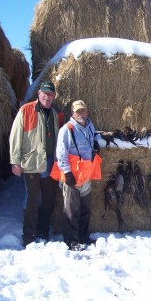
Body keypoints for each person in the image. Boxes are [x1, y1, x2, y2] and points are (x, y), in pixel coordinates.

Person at [9, 81, 64, 247]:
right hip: (31, 161)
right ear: (39, 94)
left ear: (54, 96)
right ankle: (29, 235)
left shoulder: (55, 113)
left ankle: (42, 229)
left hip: (49, 162)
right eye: (44, 93)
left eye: (50, 94)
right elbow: (15, 136)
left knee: (48, 198)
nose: (47, 97)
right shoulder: (26, 110)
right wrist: (15, 161)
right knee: (31, 199)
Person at [55, 100, 100, 251]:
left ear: (87, 112)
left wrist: (95, 145)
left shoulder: (89, 126)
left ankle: (83, 236)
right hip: (72, 177)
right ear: (72, 113)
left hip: (85, 176)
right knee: (71, 210)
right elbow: (61, 153)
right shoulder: (66, 130)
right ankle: (71, 240)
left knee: (86, 209)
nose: (81, 114)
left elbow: (91, 140)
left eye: (83, 111)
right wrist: (67, 173)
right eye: (78, 111)